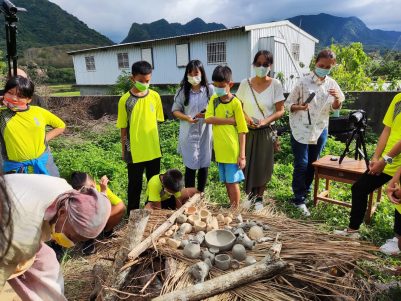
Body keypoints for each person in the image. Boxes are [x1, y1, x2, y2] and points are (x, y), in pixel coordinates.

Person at [0, 174, 111, 301]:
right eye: (71, 236)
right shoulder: (23, 235)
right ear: (62, 212)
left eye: (78, 241)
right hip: (10, 232)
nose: (71, 243)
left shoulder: (67, 193)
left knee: (46, 261)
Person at [334, 93, 401, 255]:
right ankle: (352, 231)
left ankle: (397, 239)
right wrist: (376, 156)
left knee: (399, 198)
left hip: (394, 161)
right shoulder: (398, 98)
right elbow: (387, 129)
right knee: (359, 188)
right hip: (386, 159)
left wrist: (384, 160)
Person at [285, 49, 344, 216]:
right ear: (315, 63)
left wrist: (337, 99)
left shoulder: (332, 84)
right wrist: (300, 106)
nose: (323, 69)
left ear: (332, 66)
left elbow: (335, 108)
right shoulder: (302, 82)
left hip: (320, 129)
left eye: (327, 67)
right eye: (321, 65)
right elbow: (288, 104)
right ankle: (298, 198)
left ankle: (305, 193)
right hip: (301, 128)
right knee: (302, 164)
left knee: (313, 163)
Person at [236, 50, 285, 209]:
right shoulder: (245, 84)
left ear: (270, 66)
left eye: (265, 64)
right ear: (254, 65)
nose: (261, 67)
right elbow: (238, 107)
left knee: (263, 165)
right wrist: (246, 118)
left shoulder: (275, 84)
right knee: (247, 163)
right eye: (258, 64)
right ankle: (249, 195)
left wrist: (265, 121)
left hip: (265, 131)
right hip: (247, 131)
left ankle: (259, 198)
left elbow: (280, 110)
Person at [116, 61, 164, 213]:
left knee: (154, 185)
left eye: (148, 81)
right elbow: (123, 128)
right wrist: (124, 150)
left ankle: (151, 213)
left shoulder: (155, 97)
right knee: (134, 186)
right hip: (134, 152)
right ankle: (132, 216)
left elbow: (155, 122)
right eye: (141, 81)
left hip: (154, 150)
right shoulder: (125, 100)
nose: (145, 84)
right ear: (132, 79)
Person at [0, 76, 65, 176]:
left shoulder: (38, 112)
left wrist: (45, 139)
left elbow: (60, 126)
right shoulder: (2, 114)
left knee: (53, 189)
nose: (14, 98)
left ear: (29, 99)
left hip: (44, 161)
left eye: (20, 96)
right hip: (15, 168)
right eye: (10, 93)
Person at [205, 65, 248, 208]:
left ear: (230, 84)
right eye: (215, 85)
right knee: (225, 181)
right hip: (220, 150)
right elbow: (208, 119)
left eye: (221, 86)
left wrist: (242, 155)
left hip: (232, 151)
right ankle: (232, 205)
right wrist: (230, 121)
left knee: (232, 182)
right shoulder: (214, 99)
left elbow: (242, 130)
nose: (218, 89)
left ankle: (235, 209)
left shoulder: (235, 103)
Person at [172, 60, 214, 194]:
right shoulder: (182, 91)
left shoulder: (210, 90)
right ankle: (190, 196)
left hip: (205, 132)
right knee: (190, 166)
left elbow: (217, 108)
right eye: (190, 73)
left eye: (196, 72)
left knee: (204, 164)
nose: (193, 76)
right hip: (188, 133)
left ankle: (200, 194)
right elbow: (175, 110)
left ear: (202, 73)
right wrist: (187, 118)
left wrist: (206, 114)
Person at [70, 172, 126, 254]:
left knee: (121, 207)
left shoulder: (100, 188)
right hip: (84, 225)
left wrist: (104, 191)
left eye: (92, 187)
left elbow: (119, 204)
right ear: (77, 190)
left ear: (94, 183)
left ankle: (107, 231)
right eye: (84, 190)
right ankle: (88, 240)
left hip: (97, 219)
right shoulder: (74, 197)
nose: (91, 190)